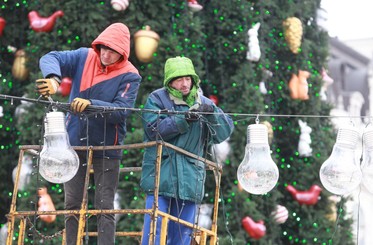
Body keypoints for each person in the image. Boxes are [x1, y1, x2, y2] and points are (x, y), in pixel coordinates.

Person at [35, 22, 141, 245]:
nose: (106, 53)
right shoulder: (85, 56)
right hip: (74, 144)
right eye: (103, 47)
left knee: (104, 205)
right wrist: (54, 78)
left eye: (112, 50)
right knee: (72, 204)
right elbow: (50, 57)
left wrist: (91, 104)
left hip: (108, 147)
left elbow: (122, 111)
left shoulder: (131, 75)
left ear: (122, 53)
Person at [140, 56, 234, 245]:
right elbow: (153, 130)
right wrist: (184, 118)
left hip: (190, 178)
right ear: (169, 81)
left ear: (193, 79)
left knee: (183, 232)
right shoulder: (156, 99)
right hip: (161, 175)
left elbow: (224, 132)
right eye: (179, 79)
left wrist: (213, 113)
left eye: (188, 79)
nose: (184, 84)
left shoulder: (204, 102)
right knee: (154, 229)